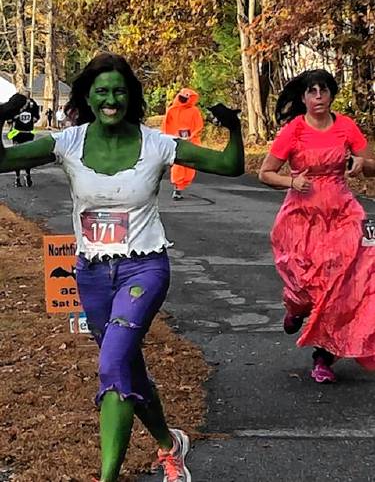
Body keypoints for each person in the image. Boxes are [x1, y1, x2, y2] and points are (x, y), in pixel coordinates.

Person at [0, 53, 244, 481]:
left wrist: (235, 128)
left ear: (130, 96)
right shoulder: (68, 142)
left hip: (143, 270)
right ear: (88, 97)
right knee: (128, 368)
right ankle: (171, 444)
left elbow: (230, 166)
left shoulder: (157, 144)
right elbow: (2, 161)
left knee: (112, 365)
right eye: (101, 91)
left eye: (118, 90)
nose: (110, 99)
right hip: (92, 274)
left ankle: (106, 477)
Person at [259, 69, 375, 384]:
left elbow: (371, 167)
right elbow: (265, 173)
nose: (319, 97)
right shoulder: (293, 130)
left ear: (332, 94)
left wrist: (362, 164)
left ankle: (323, 358)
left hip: (343, 214)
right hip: (301, 217)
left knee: (342, 285)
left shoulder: (346, 126)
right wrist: (291, 180)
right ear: (303, 97)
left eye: (324, 90)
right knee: (303, 284)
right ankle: (295, 309)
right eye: (312, 91)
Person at [162, 88, 204, 200]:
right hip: (176, 142)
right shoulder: (172, 110)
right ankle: (177, 188)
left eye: (185, 98)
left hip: (191, 142)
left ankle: (182, 185)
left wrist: (191, 136)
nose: (182, 100)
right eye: (182, 97)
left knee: (189, 167)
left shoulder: (194, 111)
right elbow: (166, 127)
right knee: (178, 165)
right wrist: (171, 138)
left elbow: (199, 126)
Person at [7, 88, 40, 187]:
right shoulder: (16, 104)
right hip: (17, 133)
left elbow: (36, 116)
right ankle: (17, 177)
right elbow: (9, 118)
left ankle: (27, 175)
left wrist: (34, 119)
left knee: (27, 155)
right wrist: (13, 118)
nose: (27, 98)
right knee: (18, 156)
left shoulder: (33, 104)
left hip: (28, 133)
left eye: (28, 96)